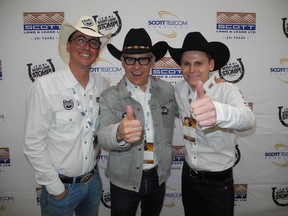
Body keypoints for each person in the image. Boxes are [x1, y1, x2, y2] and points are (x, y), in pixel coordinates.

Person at [23, 15, 111, 216]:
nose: (86, 47)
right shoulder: (44, 87)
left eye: (93, 42)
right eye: (80, 39)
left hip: (93, 181)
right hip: (61, 188)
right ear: (68, 46)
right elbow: (32, 144)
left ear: (98, 50)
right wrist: (56, 188)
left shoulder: (102, 84)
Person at [168, 32, 256, 216]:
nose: (192, 69)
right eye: (186, 63)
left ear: (212, 65)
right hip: (188, 176)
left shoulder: (227, 89)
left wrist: (218, 112)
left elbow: (248, 119)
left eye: (198, 63)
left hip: (217, 183)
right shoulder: (178, 89)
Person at [98, 28, 178, 216]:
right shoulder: (109, 97)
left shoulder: (167, 90)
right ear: (122, 62)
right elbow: (102, 135)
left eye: (143, 59)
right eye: (130, 59)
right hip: (123, 183)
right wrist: (119, 133)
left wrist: (213, 86)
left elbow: (191, 107)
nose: (136, 66)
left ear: (152, 62)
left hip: (158, 177)